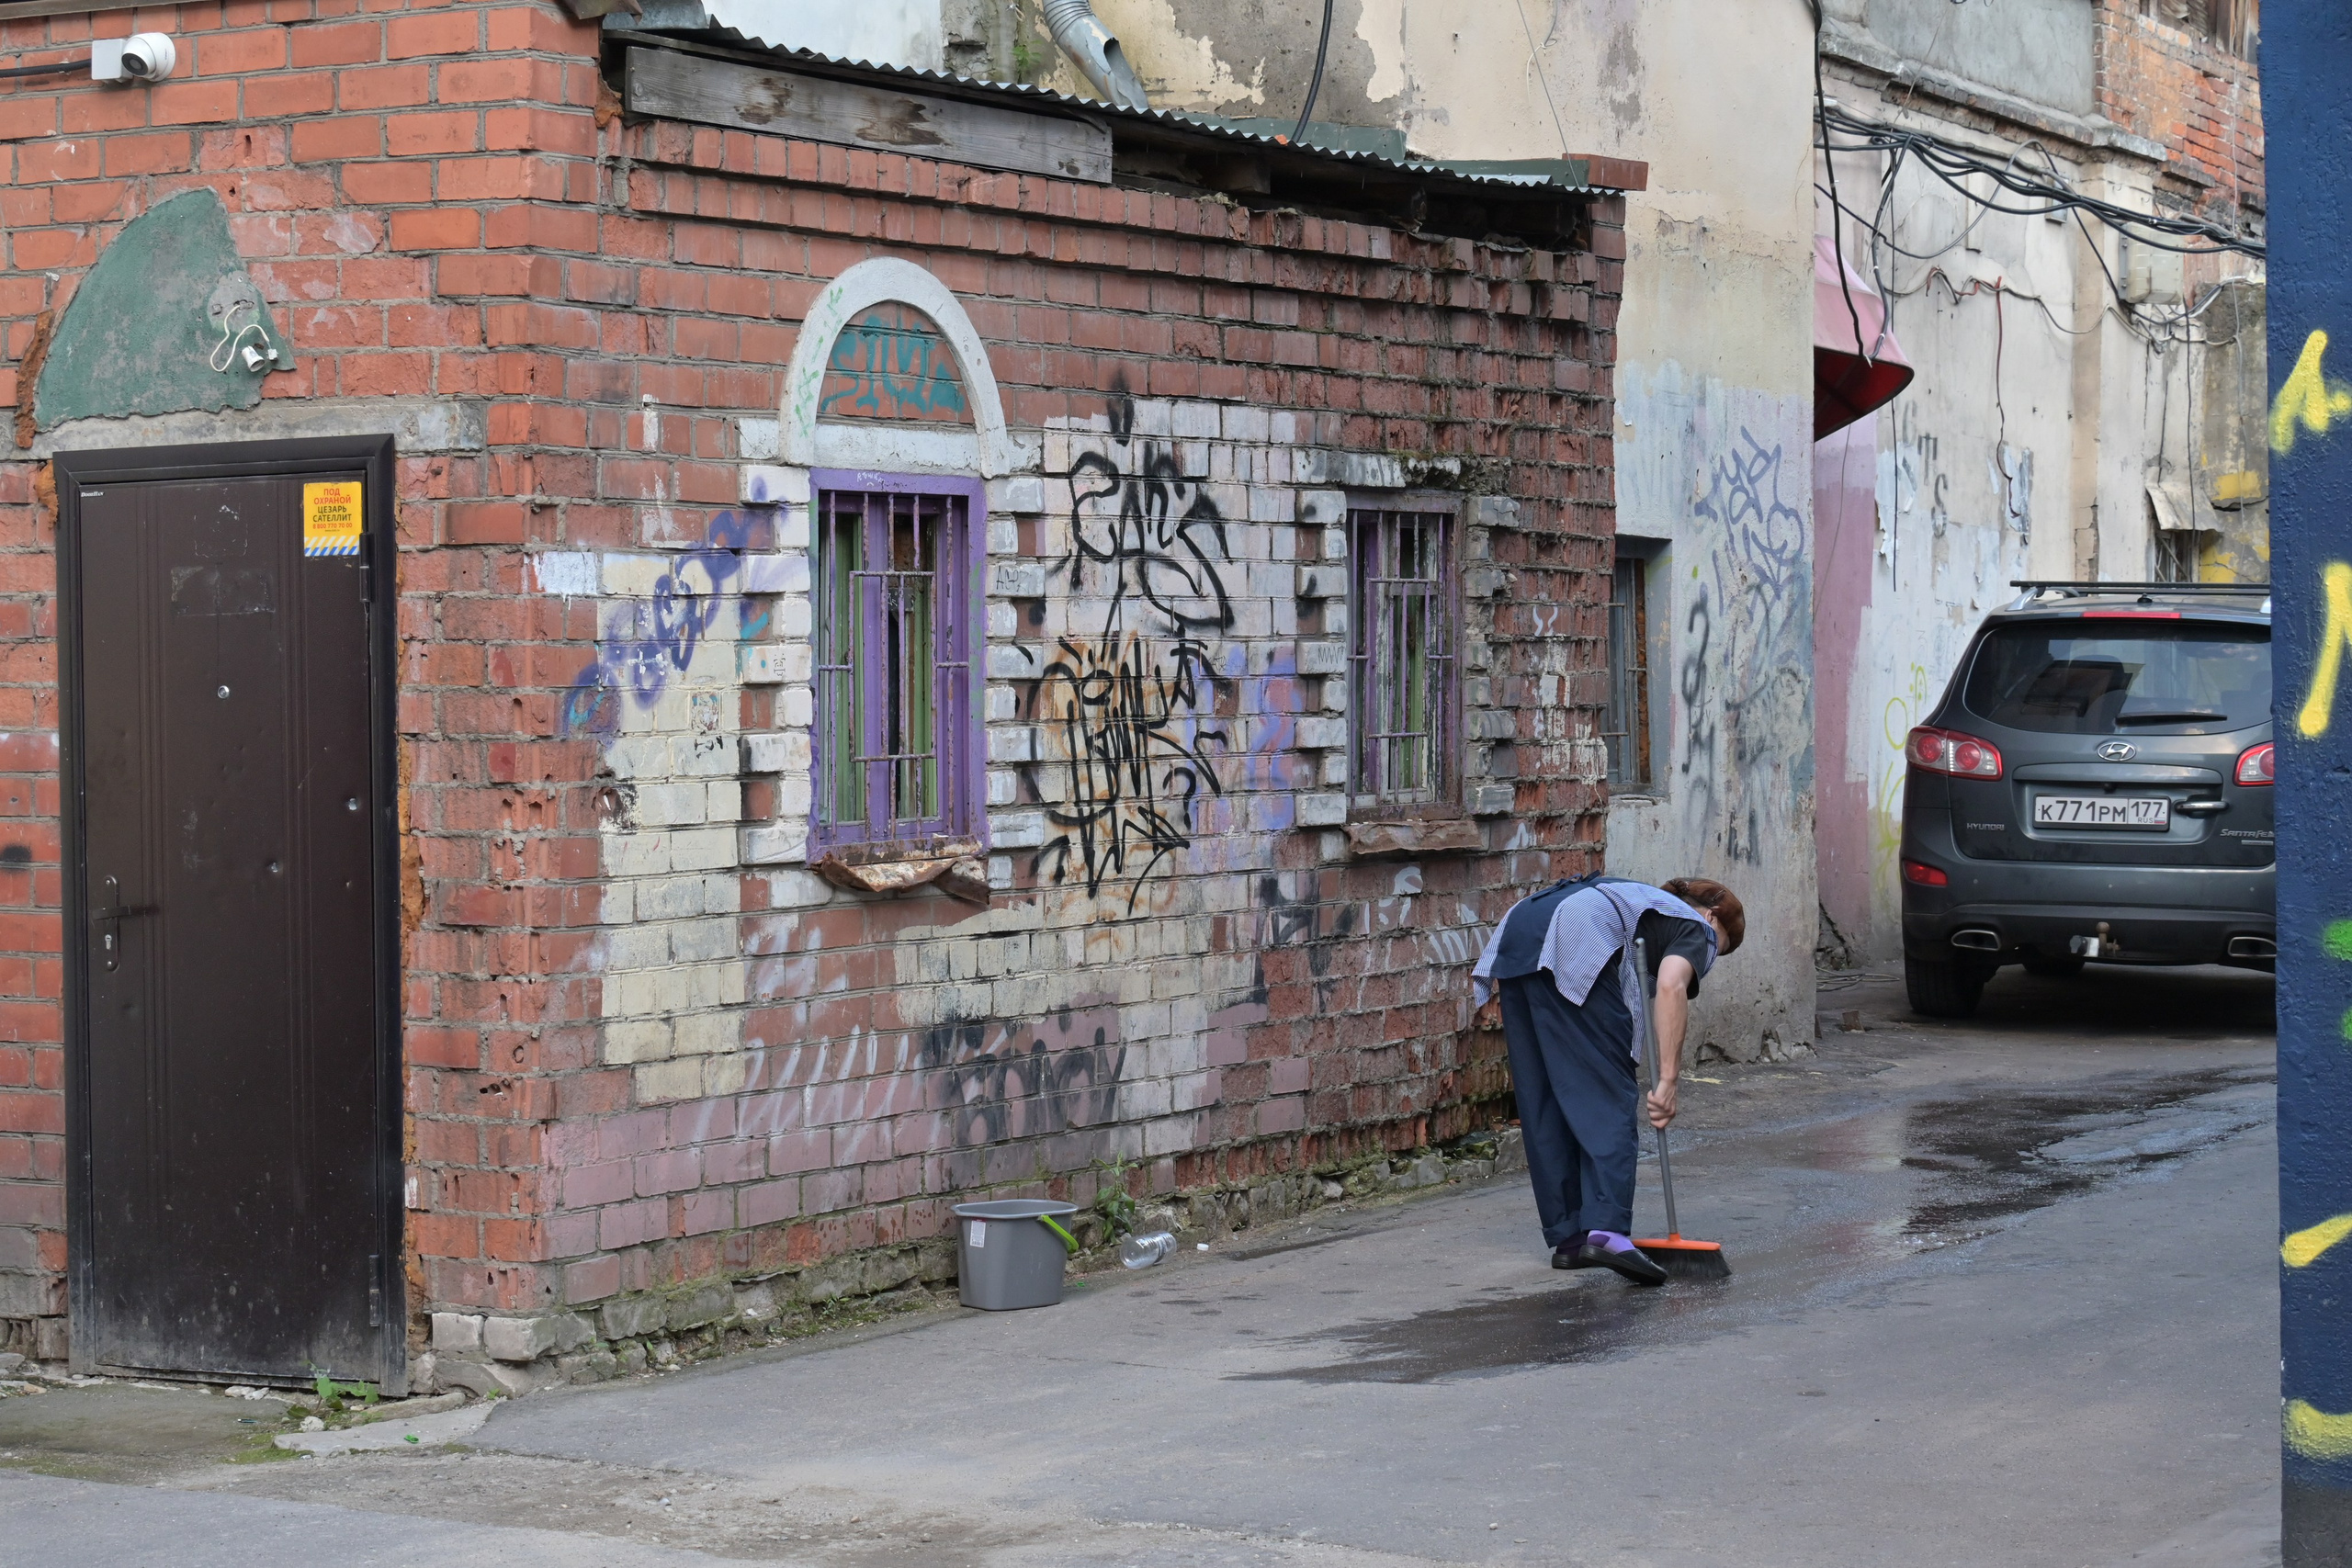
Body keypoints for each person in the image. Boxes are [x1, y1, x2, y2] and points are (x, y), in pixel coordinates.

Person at [1471, 874, 1744, 1285]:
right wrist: (1668, 1081)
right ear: (1712, 916)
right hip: (1573, 930)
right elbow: (1671, 985)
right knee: (1607, 1092)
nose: (1708, 961)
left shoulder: (1641, 904)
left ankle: (1571, 1237)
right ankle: (1606, 1231)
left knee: (1546, 1095)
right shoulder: (1697, 928)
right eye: (1720, 950)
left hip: (1521, 928)